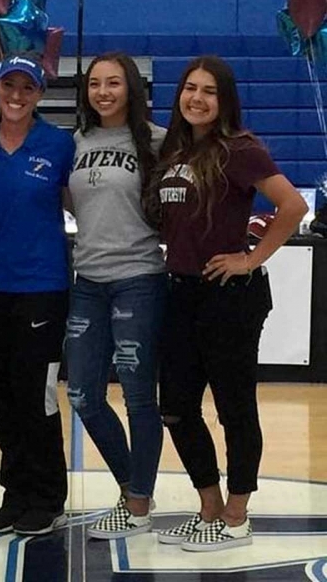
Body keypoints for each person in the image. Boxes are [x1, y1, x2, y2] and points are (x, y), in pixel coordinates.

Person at [154, 55, 307, 551]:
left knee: (234, 408)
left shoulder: (240, 150)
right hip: (180, 292)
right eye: (190, 88)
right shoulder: (174, 151)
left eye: (209, 91)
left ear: (224, 101)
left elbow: (293, 206)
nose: (197, 98)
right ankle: (209, 506)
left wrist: (250, 258)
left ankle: (237, 514)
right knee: (175, 406)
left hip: (229, 296)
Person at [0, 55, 74, 535]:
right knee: (1, 394)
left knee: (37, 396)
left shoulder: (58, 144)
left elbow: (84, 204)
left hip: (43, 288)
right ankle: (14, 493)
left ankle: (47, 495)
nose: (16, 95)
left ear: (39, 94)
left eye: (26, 87)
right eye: (8, 85)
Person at [65, 52, 168, 539]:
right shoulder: (77, 142)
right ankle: (133, 488)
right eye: (94, 84)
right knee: (83, 394)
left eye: (113, 83)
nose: (103, 92)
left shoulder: (159, 141)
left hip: (139, 279)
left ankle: (138, 505)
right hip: (88, 281)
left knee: (138, 396)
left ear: (131, 87)